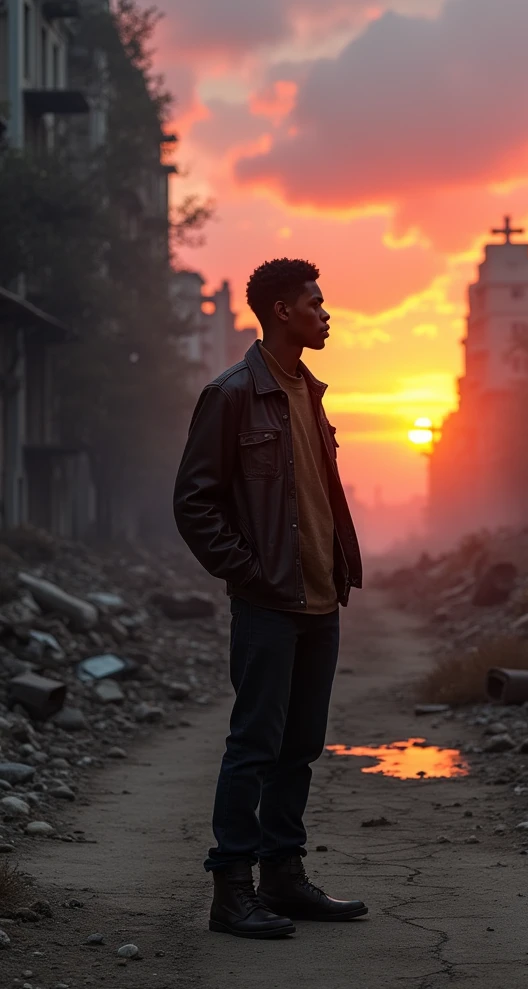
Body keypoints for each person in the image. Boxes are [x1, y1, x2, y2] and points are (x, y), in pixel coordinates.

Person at [173, 258, 366, 939]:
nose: (325, 312)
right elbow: (194, 503)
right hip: (269, 602)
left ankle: (283, 877)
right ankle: (232, 889)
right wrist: (249, 574)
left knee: (301, 746)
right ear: (282, 312)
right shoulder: (230, 395)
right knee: (254, 744)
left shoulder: (309, 393)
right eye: (315, 302)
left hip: (319, 600)